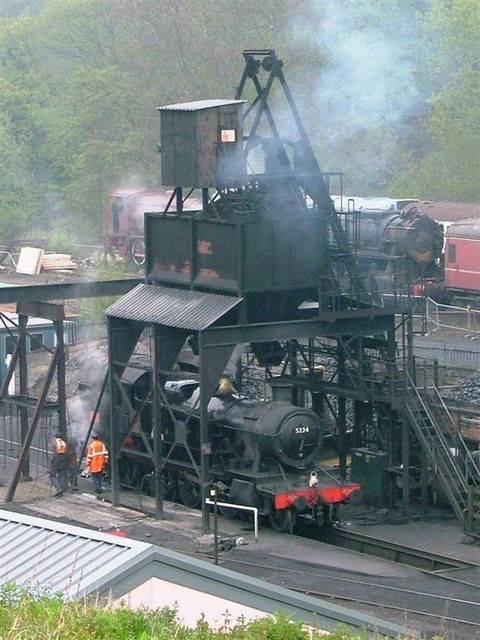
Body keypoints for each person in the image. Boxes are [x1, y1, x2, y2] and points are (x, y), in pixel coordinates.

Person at [49, 433, 68, 497]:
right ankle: (62, 489)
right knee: (61, 475)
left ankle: (59, 489)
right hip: (64, 459)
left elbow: (54, 453)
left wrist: (52, 462)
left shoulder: (55, 442)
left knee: (52, 475)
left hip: (57, 458)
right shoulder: (64, 443)